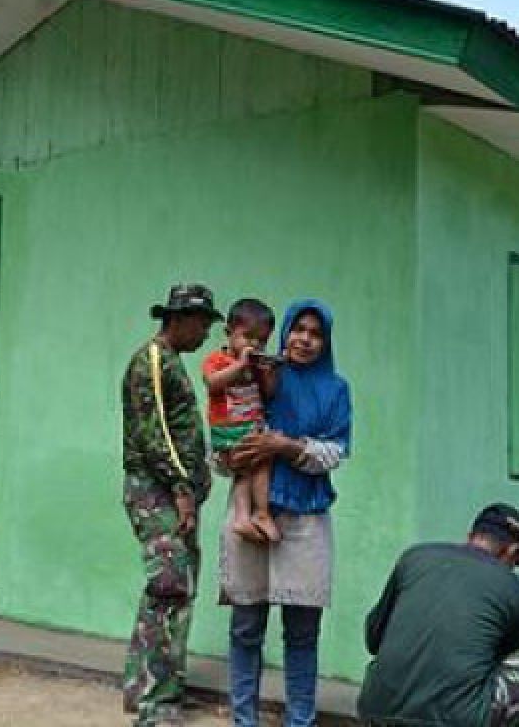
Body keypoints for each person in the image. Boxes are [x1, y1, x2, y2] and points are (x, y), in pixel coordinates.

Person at [218, 299, 353, 727]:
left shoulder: (336, 389)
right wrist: (231, 454)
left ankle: (300, 721)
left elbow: (334, 452)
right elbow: (223, 434)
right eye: (299, 330)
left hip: (306, 520)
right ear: (285, 333)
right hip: (252, 515)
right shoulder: (258, 375)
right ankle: (245, 721)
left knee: (301, 634)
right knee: (245, 628)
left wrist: (286, 447)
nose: (305, 340)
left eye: (316, 334)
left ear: (326, 341)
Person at [358, 503, 519, 727]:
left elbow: (373, 639)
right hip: (461, 718)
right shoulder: (517, 591)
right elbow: (506, 662)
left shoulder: (414, 558)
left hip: (376, 712)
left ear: (471, 536)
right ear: (512, 551)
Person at [121, 284, 222, 727]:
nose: (205, 333)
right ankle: (155, 704)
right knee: (169, 587)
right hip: (158, 493)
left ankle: (148, 687)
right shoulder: (154, 361)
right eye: (202, 323)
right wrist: (183, 490)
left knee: (172, 589)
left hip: (171, 492)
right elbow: (154, 434)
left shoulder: (171, 361)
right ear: (179, 319)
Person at [202, 298, 280, 543]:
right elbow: (212, 383)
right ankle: (251, 515)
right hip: (229, 428)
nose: (255, 345)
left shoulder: (257, 364)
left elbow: (268, 395)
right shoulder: (216, 359)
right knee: (248, 466)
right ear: (228, 333)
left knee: (258, 465)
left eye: (262, 341)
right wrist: (240, 365)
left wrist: (268, 374)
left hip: (251, 425)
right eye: (248, 337)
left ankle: (253, 515)